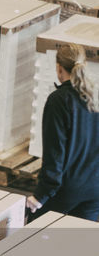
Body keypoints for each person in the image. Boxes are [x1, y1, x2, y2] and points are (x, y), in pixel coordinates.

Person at [27, 42, 99, 222]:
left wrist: (40, 196)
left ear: (59, 69)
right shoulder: (94, 97)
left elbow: (55, 153)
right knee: (77, 243)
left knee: (33, 239)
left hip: (68, 189)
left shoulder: (59, 101)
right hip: (95, 190)